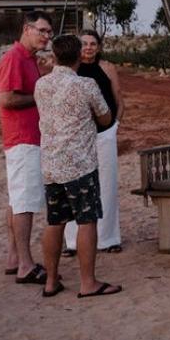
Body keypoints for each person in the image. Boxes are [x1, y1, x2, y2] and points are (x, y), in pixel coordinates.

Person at [35, 34, 121, 299]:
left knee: (55, 221)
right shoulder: (86, 84)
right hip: (80, 164)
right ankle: (88, 282)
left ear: (54, 56)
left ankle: (51, 281)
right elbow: (105, 116)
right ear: (77, 57)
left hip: (51, 163)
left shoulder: (41, 84)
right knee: (86, 221)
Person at [0, 10, 51, 284]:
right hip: (22, 140)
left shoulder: (29, 60)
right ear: (27, 29)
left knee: (17, 200)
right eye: (42, 30)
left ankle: (14, 257)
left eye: (49, 32)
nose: (46, 36)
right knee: (24, 203)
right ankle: (26, 265)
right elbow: (6, 99)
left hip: (28, 139)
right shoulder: (14, 58)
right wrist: (40, 96)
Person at [62, 30, 125, 257]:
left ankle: (108, 238)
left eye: (92, 44)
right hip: (77, 136)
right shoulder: (70, 70)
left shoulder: (107, 68)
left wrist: (115, 125)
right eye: (84, 44)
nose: (88, 47)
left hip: (104, 134)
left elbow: (118, 98)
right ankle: (72, 242)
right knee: (75, 186)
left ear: (98, 47)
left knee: (106, 184)